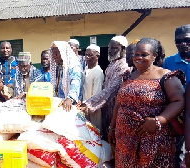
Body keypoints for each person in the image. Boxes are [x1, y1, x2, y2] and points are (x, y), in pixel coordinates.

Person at [108, 38, 185, 167]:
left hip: (154, 140)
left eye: (144, 54)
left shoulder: (166, 76)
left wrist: (159, 120)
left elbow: (178, 101)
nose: (139, 58)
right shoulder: (128, 76)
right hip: (125, 141)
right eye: (136, 54)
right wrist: (112, 128)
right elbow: (118, 104)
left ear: (154, 56)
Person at [77, 35, 131, 139]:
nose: (110, 50)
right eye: (109, 48)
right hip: (106, 107)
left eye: (114, 48)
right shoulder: (113, 63)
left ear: (123, 49)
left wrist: (89, 104)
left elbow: (111, 89)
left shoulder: (123, 65)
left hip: (115, 109)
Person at [162, 24, 190, 167]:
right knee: (177, 152)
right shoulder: (169, 62)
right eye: (178, 41)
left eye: (187, 40)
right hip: (177, 115)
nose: (183, 44)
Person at [50, 41, 82, 112]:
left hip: (71, 104)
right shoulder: (58, 66)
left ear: (63, 52)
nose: (54, 55)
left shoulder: (73, 65)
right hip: (60, 103)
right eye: (53, 53)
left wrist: (70, 98)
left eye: (56, 53)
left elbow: (76, 81)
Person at [82, 44, 104, 131]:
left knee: (94, 131)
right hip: (84, 107)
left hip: (92, 109)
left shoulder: (98, 72)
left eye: (90, 55)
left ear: (97, 56)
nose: (87, 57)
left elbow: (96, 95)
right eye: (86, 55)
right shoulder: (85, 70)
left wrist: (86, 104)